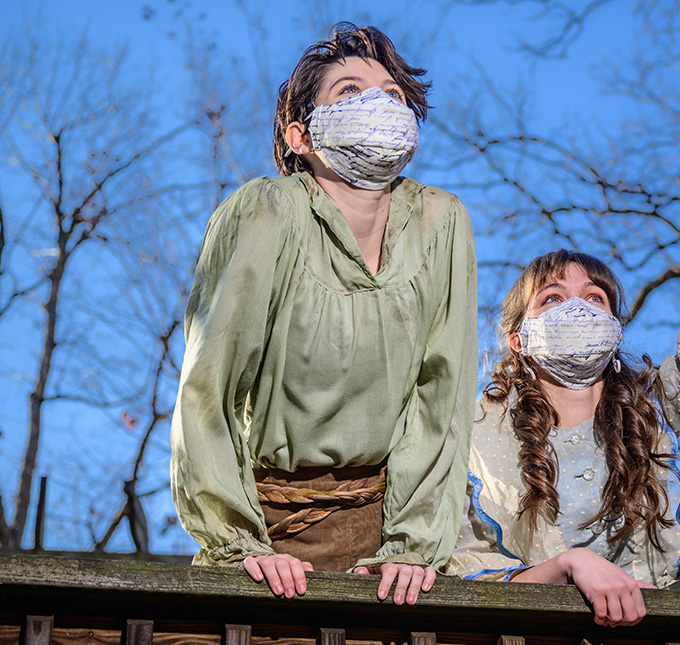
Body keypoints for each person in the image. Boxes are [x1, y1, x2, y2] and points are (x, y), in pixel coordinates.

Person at [444, 96, 680, 626]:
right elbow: (466, 573)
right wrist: (571, 566)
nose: (577, 305)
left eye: (594, 297)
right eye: (552, 298)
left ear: (615, 327)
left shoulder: (651, 405)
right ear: (518, 339)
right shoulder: (468, 432)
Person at [170, 23, 477, 607]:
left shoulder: (443, 221)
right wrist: (241, 544)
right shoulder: (268, 210)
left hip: (387, 538)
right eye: (348, 91)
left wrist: (410, 548)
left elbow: (443, 399)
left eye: (392, 94)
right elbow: (207, 388)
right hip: (268, 527)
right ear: (300, 136)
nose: (378, 104)